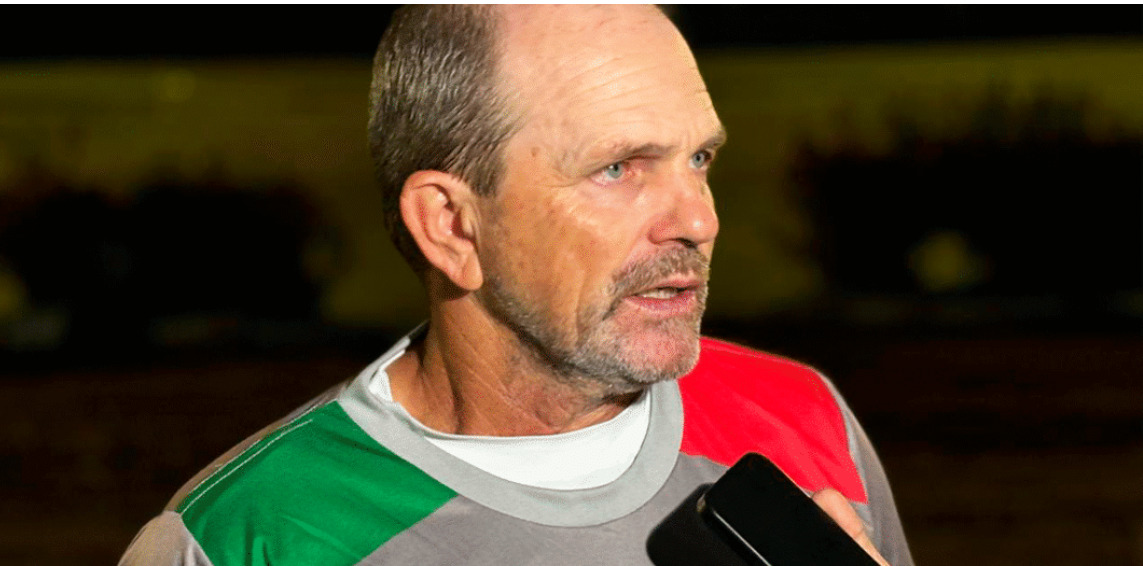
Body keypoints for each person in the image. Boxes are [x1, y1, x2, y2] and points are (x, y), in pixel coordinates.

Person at [120, 5, 914, 565]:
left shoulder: (800, 418)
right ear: (451, 226)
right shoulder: (248, 538)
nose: (697, 220)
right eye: (618, 168)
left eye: (698, 159)